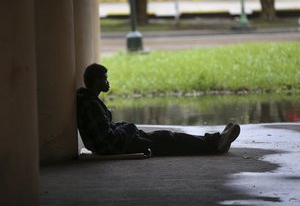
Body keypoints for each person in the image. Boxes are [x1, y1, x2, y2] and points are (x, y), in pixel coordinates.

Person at [77, 63, 240, 156]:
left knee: (166, 137)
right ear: (96, 81)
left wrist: (125, 127)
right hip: (120, 146)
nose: (108, 82)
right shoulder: (91, 105)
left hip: (124, 141)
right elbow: (107, 140)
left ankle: (216, 141)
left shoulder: (90, 101)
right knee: (168, 139)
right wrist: (128, 129)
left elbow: (107, 130)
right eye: (105, 79)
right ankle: (215, 143)